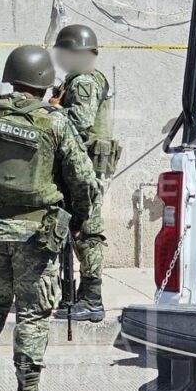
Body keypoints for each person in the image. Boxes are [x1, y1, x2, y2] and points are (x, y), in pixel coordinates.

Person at [0, 45, 102, 391]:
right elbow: (84, 179)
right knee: (33, 313)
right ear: (43, 79)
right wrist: (81, 220)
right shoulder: (55, 121)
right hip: (38, 233)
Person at [50, 24, 118, 323]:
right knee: (79, 229)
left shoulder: (84, 82)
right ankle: (81, 294)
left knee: (87, 232)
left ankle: (92, 298)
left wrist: (52, 110)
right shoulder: (79, 79)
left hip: (86, 166)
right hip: (83, 165)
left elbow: (81, 121)